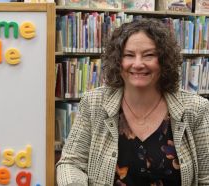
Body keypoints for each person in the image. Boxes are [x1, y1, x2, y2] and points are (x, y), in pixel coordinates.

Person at [56, 18, 209, 186]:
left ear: (164, 60)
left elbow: (206, 177)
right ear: (117, 61)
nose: (138, 64)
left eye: (149, 55)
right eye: (129, 55)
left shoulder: (196, 109)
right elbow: (71, 163)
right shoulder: (93, 104)